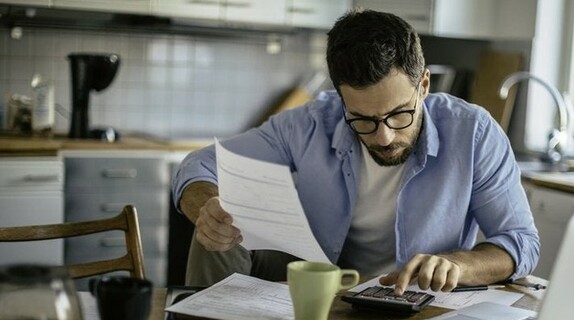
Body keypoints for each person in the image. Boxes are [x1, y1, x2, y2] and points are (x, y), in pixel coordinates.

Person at [172, 9, 539, 295]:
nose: (383, 136)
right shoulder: (311, 122)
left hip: (409, 296)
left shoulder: (474, 132)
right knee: (218, 218)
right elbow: (199, 164)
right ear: (341, 98)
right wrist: (207, 206)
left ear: (423, 84)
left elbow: (520, 242)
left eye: (399, 114)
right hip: (318, 280)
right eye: (362, 119)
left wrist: (457, 266)